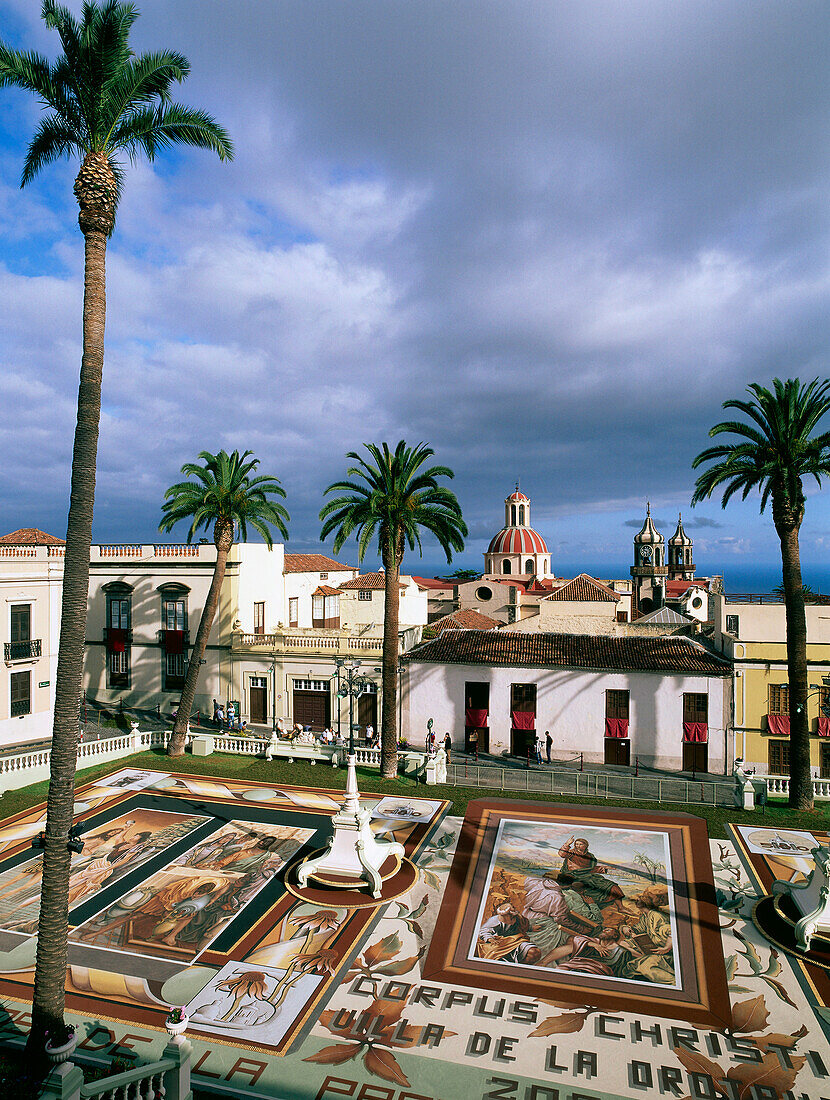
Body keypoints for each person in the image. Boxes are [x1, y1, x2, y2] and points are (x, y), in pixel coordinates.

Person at [558, 836, 626, 909]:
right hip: (573, 876)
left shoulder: (590, 856)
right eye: (576, 844)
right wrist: (567, 844)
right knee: (585, 887)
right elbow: (562, 854)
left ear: (586, 845)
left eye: (580, 844)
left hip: (588, 876)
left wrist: (604, 868)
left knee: (611, 885)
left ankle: (621, 907)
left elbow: (589, 869)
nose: (578, 846)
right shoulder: (571, 853)